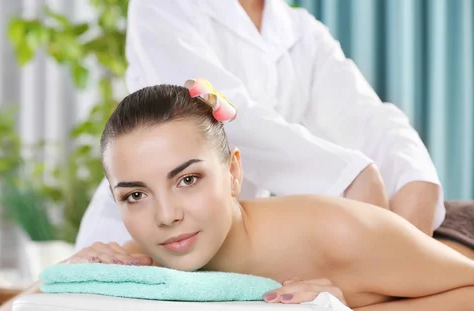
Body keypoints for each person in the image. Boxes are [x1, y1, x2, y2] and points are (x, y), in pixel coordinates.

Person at [0, 84, 474, 311]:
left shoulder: (335, 230)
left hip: (454, 236)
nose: (166, 214)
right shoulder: (140, 259)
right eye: (135, 194)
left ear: (234, 172)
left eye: (188, 179)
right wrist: (66, 274)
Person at [73, 0, 445, 254]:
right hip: (140, 238)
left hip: (233, 246)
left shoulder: (300, 31)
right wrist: (353, 177)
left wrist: (415, 178)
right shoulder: (165, 6)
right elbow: (216, 115)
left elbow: (370, 117)